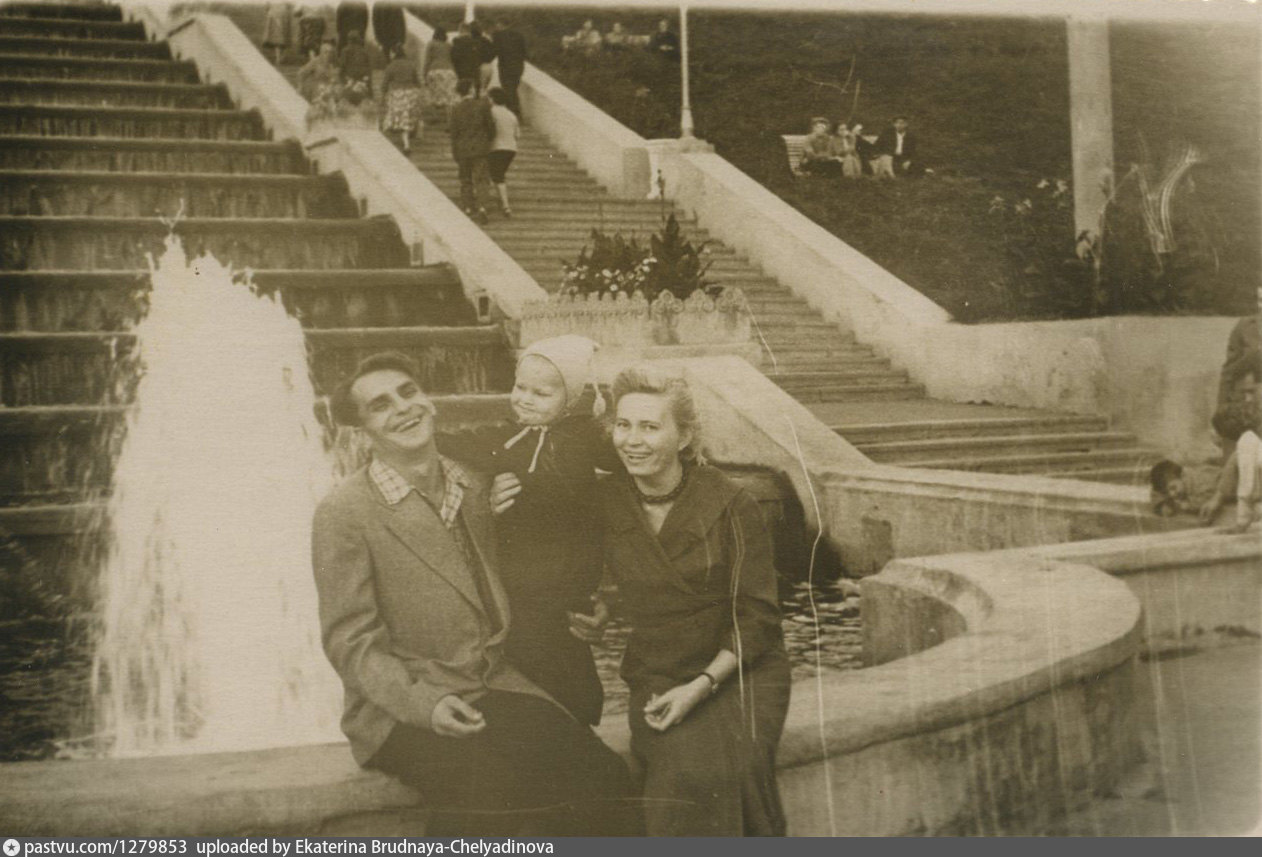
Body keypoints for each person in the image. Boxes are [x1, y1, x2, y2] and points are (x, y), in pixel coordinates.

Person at [312, 352, 637, 836]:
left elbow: (545, 552)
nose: (402, 408)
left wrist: (590, 604)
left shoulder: (478, 483)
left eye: (407, 392)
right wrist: (426, 706)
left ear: (428, 401)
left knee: (605, 777)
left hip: (493, 684)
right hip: (402, 708)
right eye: (380, 405)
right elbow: (350, 641)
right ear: (362, 430)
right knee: (488, 794)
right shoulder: (344, 513)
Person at [594, 364, 791, 836]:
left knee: (724, 767)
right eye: (623, 425)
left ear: (683, 437)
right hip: (659, 668)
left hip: (741, 669)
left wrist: (701, 686)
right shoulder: (607, 500)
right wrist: (601, 606)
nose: (632, 440)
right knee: (682, 768)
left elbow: (758, 616)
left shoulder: (732, 503)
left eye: (649, 427)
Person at [445, 336, 612, 727]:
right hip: (521, 580)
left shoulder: (584, 438)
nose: (525, 399)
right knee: (527, 652)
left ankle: (576, 722)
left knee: (568, 653)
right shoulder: (507, 438)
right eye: (520, 387)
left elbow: (622, 465)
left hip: (570, 579)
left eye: (542, 393)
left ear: (569, 400)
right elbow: (462, 443)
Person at [449, 78, 494, 223]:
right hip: (480, 148)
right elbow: (491, 127)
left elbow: (454, 133)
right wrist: (488, 140)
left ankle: (468, 207)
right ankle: (482, 208)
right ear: (470, 90)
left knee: (465, 179)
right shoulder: (482, 106)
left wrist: (455, 151)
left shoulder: (455, 109)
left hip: (462, 149)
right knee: (481, 179)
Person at [381, 46, 424, 154]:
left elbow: (385, 83)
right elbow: (417, 82)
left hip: (397, 94)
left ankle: (398, 143)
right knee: (406, 119)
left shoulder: (391, 66)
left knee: (395, 118)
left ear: (394, 54)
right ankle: (407, 144)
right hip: (411, 94)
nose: (390, 55)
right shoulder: (411, 64)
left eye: (391, 53)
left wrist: (383, 95)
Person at [486, 87, 519, 217]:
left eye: (489, 97)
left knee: (497, 176)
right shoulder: (511, 115)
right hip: (511, 149)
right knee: (498, 174)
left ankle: (505, 205)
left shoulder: (491, 112)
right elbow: (517, 135)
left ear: (493, 99)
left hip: (496, 147)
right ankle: (501, 202)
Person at [491, 18, 528, 117]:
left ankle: (513, 113)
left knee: (508, 90)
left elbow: (494, 51)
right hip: (518, 67)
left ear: (500, 24)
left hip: (505, 67)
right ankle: (515, 112)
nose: (496, 27)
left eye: (497, 25)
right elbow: (524, 52)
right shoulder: (519, 35)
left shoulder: (498, 36)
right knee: (512, 89)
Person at [421, 27, 458, 117]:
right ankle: (449, 118)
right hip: (449, 71)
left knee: (435, 96)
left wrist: (423, 74)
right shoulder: (449, 45)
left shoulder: (431, 44)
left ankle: (436, 117)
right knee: (449, 97)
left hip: (435, 70)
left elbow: (427, 61)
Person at [338, 29, 373, 97]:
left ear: (349, 40)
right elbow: (369, 70)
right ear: (358, 40)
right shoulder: (364, 52)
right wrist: (369, 88)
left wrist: (343, 81)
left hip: (349, 81)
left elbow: (342, 68)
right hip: (362, 81)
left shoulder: (345, 51)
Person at [450, 22, 483, 94]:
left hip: (461, 72)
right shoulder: (476, 42)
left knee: (463, 93)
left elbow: (454, 57)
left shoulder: (457, 41)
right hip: (474, 72)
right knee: (474, 94)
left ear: (461, 30)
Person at [472, 21, 497, 94]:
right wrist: (488, 59)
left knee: (476, 91)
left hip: (479, 67)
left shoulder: (472, 42)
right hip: (488, 66)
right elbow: (494, 52)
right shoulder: (486, 41)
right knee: (484, 89)